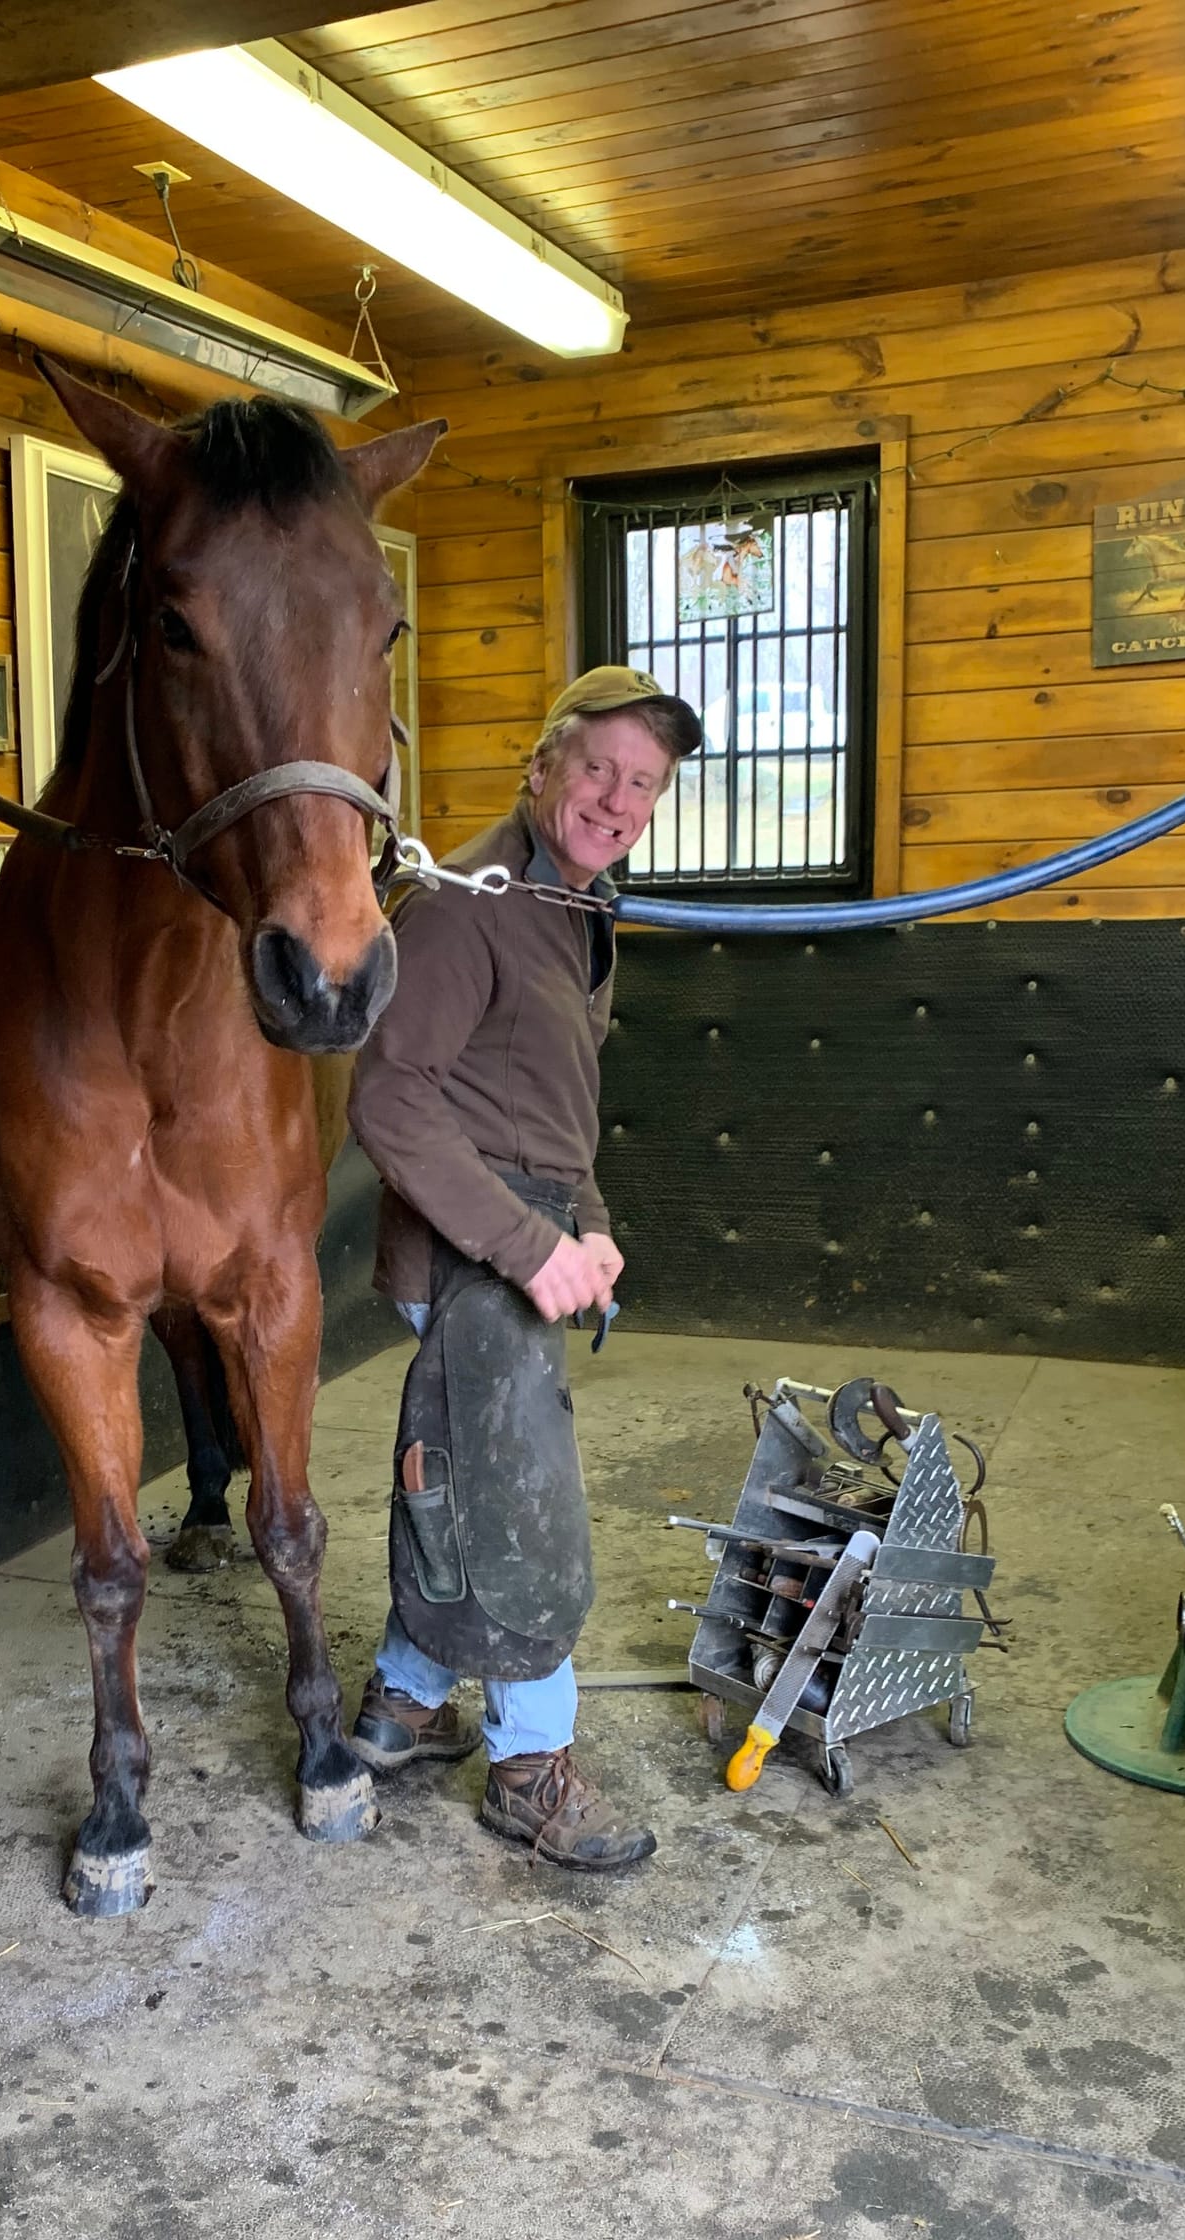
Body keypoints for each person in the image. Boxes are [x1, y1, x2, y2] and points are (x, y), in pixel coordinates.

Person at [345, 665, 700, 1870]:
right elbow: (390, 1100)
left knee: (463, 1476)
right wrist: (525, 1245)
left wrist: (584, 1222)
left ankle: (400, 1705)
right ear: (540, 766)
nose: (616, 796)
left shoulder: (582, 904)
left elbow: (552, 1107)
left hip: (526, 1222)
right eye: (596, 766)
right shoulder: (464, 902)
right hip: (463, 1244)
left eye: (641, 781)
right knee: (519, 1508)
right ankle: (526, 1770)